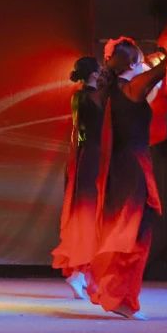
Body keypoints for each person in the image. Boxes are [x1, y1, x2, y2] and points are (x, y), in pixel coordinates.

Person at [88, 37, 167, 320]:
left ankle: (120, 295)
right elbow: (164, 68)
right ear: (133, 64)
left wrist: (151, 57)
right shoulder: (132, 89)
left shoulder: (110, 92)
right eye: (140, 61)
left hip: (120, 166)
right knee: (134, 233)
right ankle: (121, 298)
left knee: (125, 230)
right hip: (133, 167)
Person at [50, 56, 107, 301]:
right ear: (93, 73)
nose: (103, 71)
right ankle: (80, 271)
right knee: (88, 213)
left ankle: (84, 271)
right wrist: (85, 152)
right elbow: (81, 130)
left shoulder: (95, 95)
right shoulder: (84, 97)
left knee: (95, 215)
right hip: (91, 155)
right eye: (100, 69)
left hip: (95, 152)